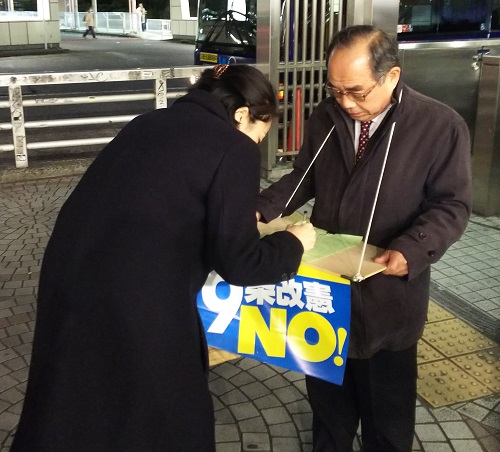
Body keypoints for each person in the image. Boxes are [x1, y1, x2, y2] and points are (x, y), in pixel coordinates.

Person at [10, 64, 316, 451]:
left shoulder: (149, 122)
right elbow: (240, 261)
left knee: (73, 404)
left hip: (69, 279)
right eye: (259, 135)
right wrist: (293, 242)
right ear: (242, 115)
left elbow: (162, 200)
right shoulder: (233, 146)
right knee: (166, 415)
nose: (254, 144)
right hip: (138, 301)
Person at [257, 25, 472, 452]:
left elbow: (452, 205)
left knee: (386, 412)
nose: (345, 102)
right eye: (335, 90)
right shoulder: (327, 116)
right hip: (326, 287)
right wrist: (262, 209)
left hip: (387, 289)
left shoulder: (438, 125)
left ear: (391, 76)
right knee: (327, 401)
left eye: (356, 91)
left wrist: (414, 248)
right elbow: (304, 176)